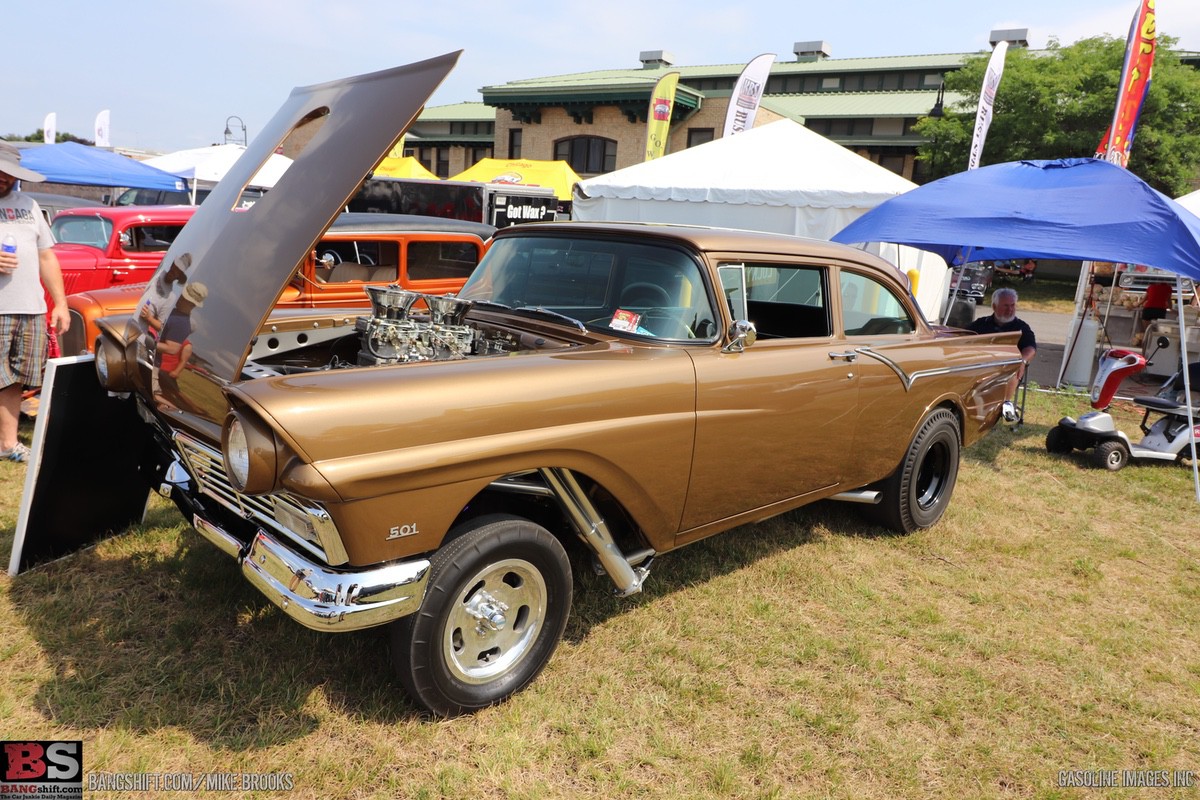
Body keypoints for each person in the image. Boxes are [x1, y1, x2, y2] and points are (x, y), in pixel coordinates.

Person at [0, 142, 69, 462]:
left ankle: (8, 444)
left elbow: (46, 255)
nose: (4, 178)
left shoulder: (29, 205)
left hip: (31, 309)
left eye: (9, 174)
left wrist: (60, 303)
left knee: (14, 378)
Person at [969, 287, 1036, 422]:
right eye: (1005, 306)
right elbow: (963, 338)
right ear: (994, 306)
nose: (1009, 309)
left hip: (1007, 370)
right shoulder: (981, 324)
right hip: (980, 367)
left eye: (1012, 305)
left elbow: (1031, 348)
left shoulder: (1021, 327)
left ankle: (1001, 408)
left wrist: (1022, 361)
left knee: (1013, 368)